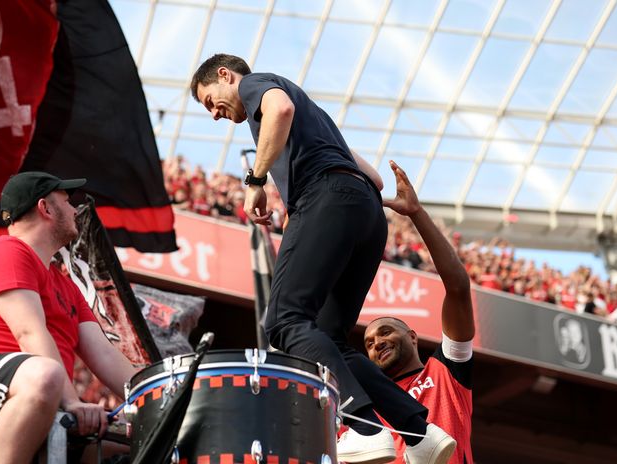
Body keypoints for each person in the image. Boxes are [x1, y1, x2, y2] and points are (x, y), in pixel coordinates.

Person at [191, 54, 455, 464]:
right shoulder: (318, 120)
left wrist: (256, 181)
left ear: (225, 76)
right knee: (329, 340)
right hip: (366, 211)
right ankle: (419, 432)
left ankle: (365, 428)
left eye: (209, 100)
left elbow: (280, 108)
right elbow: (376, 179)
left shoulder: (256, 86)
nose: (213, 114)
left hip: (329, 198)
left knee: (284, 321)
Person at [0, 172, 138, 464]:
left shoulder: (66, 284)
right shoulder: (6, 250)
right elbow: (28, 332)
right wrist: (71, 401)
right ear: (46, 208)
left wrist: (156, 398)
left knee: (141, 442)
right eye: (67, 202)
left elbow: (104, 353)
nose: (76, 210)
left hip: (43, 396)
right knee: (46, 375)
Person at [363, 161, 475, 463]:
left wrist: (415, 213)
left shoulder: (446, 371)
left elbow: (458, 288)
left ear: (412, 336)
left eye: (385, 331)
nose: (377, 343)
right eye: (369, 343)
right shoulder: (366, 407)